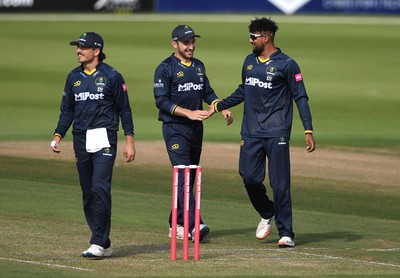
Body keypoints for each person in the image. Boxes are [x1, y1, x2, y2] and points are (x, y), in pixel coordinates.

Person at [210, 17, 315, 247]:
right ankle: (267, 211)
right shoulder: (249, 61)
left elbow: (301, 97)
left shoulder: (288, 64)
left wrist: (308, 128)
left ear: (266, 37)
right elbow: (243, 90)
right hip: (251, 131)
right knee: (248, 177)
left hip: (277, 131)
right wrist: (221, 105)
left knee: (280, 184)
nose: (250, 41)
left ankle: (286, 233)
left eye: (253, 37)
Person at [50, 32, 136, 257]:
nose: (78, 50)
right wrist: (59, 134)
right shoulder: (73, 77)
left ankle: (97, 241)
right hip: (81, 138)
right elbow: (67, 109)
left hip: (105, 137)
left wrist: (130, 141)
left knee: (100, 187)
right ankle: (104, 242)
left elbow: (124, 110)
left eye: (83, 47)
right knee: (88, 192)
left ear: (96, 51)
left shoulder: (112, 76)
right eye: (77, 47)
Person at [153, 25, 233, 242]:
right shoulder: (165, 68)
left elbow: (207, 91)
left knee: (189, 179)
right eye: (186, 42)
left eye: (192, 42)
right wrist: (187, 113)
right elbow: (161, 101)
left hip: (196, 129)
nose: (191, 46)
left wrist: (220, 107)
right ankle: (194, 224)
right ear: (174, 44)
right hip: (174, 129)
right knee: (183, 176)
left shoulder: (198, 66)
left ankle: (176, 224)